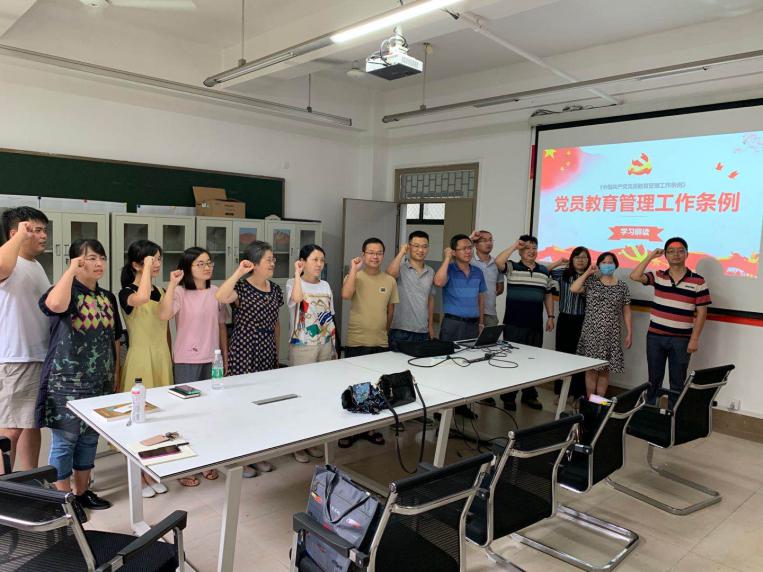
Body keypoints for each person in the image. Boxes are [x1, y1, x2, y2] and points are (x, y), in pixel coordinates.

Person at [36, 239, 122, 510]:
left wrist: (116, 371)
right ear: (76, 261)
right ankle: (64, 500)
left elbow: (115, 338)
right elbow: (54, 305)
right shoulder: (65, 292)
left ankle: (82, 492)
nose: (98, 263)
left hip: (100, 380)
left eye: (101, 258)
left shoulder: (107, 297)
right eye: (91, 258)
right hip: (66, 382)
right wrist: (71, 270)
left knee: (89, 438)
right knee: (65, 441)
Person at [159, 246, 229, 486]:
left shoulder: (216, 292)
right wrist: (171, 284)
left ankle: (206, 461)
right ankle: (184, 466)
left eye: (209, 262)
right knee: (186, 415)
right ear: (188, 267)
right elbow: (164, 315)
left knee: (209, 413)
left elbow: (221, 325)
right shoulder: (179, 292)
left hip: (212, 359)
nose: (207, 267)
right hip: (186, 359)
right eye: (200, 263)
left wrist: (224, 356)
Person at [217, 240, 283, 477]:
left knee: (262, 405)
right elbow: (220, 296)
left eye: (273, 259)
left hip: (266, 347)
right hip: (244, 348)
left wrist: (276, 352)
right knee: (241, 405)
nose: (272, 263)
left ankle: (257, 454)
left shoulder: (276, 289)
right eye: (268, 260)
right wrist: (239, 272)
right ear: (254, 263)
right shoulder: (242, 288)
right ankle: (240, 458)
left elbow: (276, 323)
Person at [118, 240, 173, 498]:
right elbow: (141, 298)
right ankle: (137, 475)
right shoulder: (127, 292)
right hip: (140, 359)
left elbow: (166, 315)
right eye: (152, 259)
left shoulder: (159, 290)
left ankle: (151, 470)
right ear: (136, 264)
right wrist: (148, 268)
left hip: (161, 357)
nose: (157, 264)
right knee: (139, 418)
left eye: (159, 259)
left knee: (160, 416)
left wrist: (172, 285)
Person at [629, 237, 711, 406]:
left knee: (677, 381)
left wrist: (694, 339)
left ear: (687, 254)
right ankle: (651, 411)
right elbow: (634, 276)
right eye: (671, 251)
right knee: (653, 379)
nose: (676, 254)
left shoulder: (698, 281)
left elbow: (702, 312)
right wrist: (651, 256)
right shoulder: (658, 276)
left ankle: (673, 416)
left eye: (680, 251)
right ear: (665, 255)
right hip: (655, 337)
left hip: (681, 339)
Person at [0, 207, 50, 472]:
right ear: (15, 233)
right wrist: (19, 236)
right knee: (10, 429)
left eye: (44, 230)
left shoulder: (36, 265)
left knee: (31, 424)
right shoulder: (9, 262)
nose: (43, 236)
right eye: (36, 230)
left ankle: (30, 480)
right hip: (16, 359)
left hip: (39, 356)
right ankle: (4, 487)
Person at [339, 237, 398, 448]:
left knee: (374, 386)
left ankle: (370, 428)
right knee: (356, 386)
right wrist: (354, 269)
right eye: (371, 252)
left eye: (379, 252)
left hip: (380, 341)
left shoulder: (389, 281)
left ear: (383, 255)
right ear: (363, 254)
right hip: (357, 340)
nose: (375, 256)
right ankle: (352, 429)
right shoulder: (355, 276)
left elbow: (390, 310)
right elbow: (345, 295)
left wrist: (384, 331)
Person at [495, 234, 557, 411]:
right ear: (520, 251)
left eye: (534, 248)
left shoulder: (544, 271)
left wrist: (551, 316)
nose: (531, 251)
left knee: (532, 361)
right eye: (527, 248)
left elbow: (548, 294)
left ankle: (529, 395)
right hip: (514, 323)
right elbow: (498, 262)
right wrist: (515, 245)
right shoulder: (512, 267)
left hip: (535, 324)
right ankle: (509, 396)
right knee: (512, 360)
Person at [285, 244, 334, 463]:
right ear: (302, 262)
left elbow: (330, 316)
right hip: (302, 344)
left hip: (325, 343)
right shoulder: (292, 282)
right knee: (301, 395)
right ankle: (298, 444)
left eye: (322, 260)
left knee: (319, 394)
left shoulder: (325, 285)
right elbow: (296, 299)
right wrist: (297, 274)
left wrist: (334, 346)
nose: (319, 264)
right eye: (314, 259)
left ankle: (312, 440)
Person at [433, 234, 487, 419]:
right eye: (463, 248)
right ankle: (442, 409)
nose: (468, 251)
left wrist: (481, 321)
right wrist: (447, 258)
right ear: (454, 252)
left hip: (472, 325)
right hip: (452, 324)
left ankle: (462, 406)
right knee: (447, 365)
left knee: (467, 366)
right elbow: (438, 282)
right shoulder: (448, 269)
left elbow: (481, 298)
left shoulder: (477, 271)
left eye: (470, 247)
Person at [571, 252, 632, 397]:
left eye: (610, 262)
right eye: (604, 262)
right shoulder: (592, 282)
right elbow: (573, 289)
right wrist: (588, 272)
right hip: (592, 332)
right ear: (598, 265)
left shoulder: (622, 286)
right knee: (591, 369)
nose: (607, 265)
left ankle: (599, 402)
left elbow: (627, 310)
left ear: (616, 265)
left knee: (605, 369)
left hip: (611, 334)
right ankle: (590, 401)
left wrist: (629, 333)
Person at [550, 246, 591, 402]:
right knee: (562, 356)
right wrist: (559, 262)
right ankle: (561, 393)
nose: (580, 260)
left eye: (584, 257)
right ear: (572, 259)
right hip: (565, 319)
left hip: (582, 321)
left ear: (588, 260)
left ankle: (577, 394)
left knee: (579, 358)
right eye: (577, 257)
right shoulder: (564, 273)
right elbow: (544, 271)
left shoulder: (592, 278)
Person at [386, 230, 436, 349]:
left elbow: (430, 300)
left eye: (424, 246)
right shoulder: (400, 268)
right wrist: (401, 253)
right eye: (416, 246)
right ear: (409, 247)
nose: (421, 250)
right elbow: (390, 274)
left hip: (422, 330)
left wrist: (430, 326)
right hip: (400, 330)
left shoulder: (431, 271)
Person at [470, 230, 504, 328]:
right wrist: (470, 238)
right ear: (475, 244)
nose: (489, 243)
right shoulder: (469, 261)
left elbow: (500, 289)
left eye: (490, 240)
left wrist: (489, 295)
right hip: (472, 311)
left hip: (490, 312)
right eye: (484, 240)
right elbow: (456, 251)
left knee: (490, 337)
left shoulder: (497, 263)